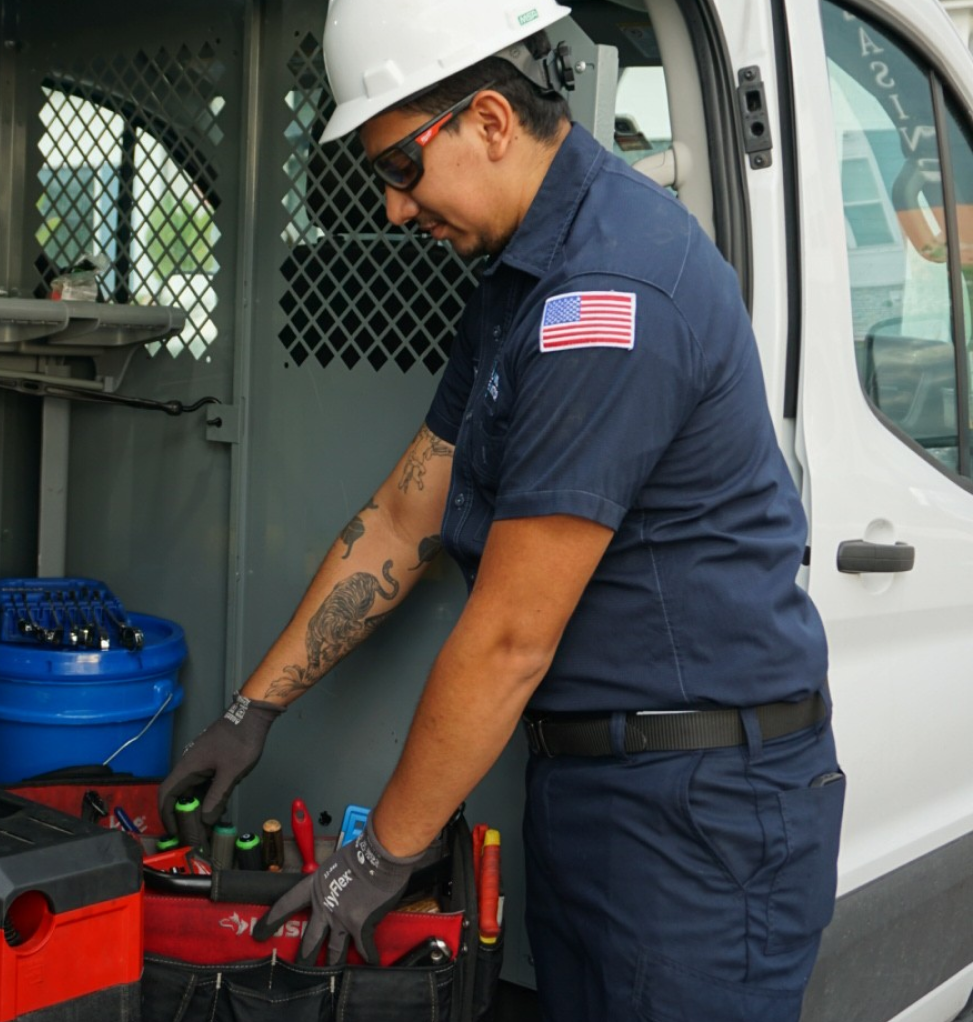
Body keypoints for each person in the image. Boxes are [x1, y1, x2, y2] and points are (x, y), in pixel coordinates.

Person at [158, 1, 845, 1017]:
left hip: (697, 818)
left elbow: (511, 637)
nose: (394, 210)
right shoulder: (520, 282)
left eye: (399, 168)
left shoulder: (605, 299)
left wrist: (379, 852)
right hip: (602, 794)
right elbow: (403, 518)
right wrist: (250, 709)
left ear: (487, 120)